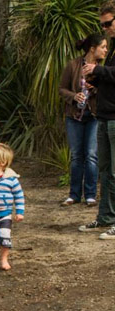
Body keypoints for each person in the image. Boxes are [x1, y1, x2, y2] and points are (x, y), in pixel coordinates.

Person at [59, 34, 107, 208]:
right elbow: (62, 89)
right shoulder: (73, 65)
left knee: (91, 155)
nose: (106, 50)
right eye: (103, 47)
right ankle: (74, 194)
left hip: (93, 116)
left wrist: (95, 88)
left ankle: (91, 195)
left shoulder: (103, 68)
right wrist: (74, 96)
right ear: (92, 48)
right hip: (74, 116)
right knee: (77, 155)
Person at [80, 1, 115, 239]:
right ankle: (106, 218)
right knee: (106, 171)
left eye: (109, 23)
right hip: (104, 115)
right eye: (103, 25)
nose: (105, 29)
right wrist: (96, 81)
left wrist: (98, 70)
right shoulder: (112, 48)